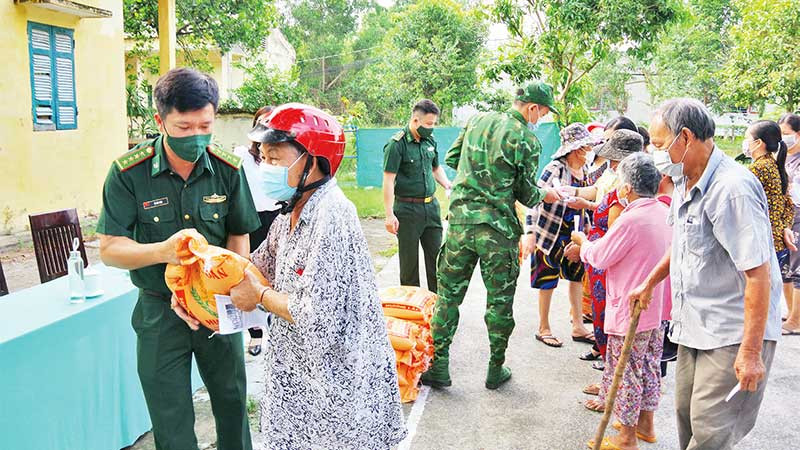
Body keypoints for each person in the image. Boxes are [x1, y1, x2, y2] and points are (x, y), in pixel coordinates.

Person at [96, 68, 261, 450]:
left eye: (205, 125)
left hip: (217, 310)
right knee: (170, 417)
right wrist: (162, 251)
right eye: (184, 127)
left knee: (233, 404)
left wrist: (231, 287)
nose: (196, 137)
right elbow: (109, 249)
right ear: (160, 121)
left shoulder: (227, 169)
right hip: (159, 314)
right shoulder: (128, 174)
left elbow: (239, 233)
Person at [229, 103, 407, 449]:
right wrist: (202, 275)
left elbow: (313, 313)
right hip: (301, 381)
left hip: (338, 385)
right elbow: (255, 266)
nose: (266, 167)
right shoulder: (289, 215)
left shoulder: (333, 215)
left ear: (312, 162)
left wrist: (260, 297)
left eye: (276, 158)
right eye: (263, 157)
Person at [630, 98, 782, 450]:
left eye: (657, 143)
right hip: (694, 325)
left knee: (711, 432)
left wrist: (750, 352)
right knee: (686, 416)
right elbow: (683, 244)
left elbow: (760, 275)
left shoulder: (732, 189)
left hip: (732, 333)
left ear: (684, 137)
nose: (655, 153)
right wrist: (649, 282)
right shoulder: (686, 178)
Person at [421, 81, 562, 390]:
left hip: (460, 225)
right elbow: (527, 193)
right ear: (532, 108)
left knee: (448, 298)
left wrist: (478, 178)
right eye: (543, 113)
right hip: (498, 232)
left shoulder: (477, 120)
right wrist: (547, 194)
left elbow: (453, 159)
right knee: (499, 301)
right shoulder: (526, 139)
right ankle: (495, 369)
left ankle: (440, 364)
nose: (541, 119)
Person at [571, 153, 671, 450]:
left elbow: (600, 257)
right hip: (656, 307)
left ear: (627, 188)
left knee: (625, 372)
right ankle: (646, 424)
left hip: (631, 309)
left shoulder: (632, 218)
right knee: (650, 366)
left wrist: (582, 242)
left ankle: (626, 438)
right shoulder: (663, 211)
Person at [563, 129, 643, 383]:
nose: (612, 161)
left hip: (606, 251)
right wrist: (572, 192)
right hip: (598, 248)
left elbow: (612, 220)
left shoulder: (630, 184)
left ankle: (611, 382)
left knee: (612, 314)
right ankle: (607, 368)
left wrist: (584, 243)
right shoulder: (613, 173)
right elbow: (596, 192)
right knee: (601, 310)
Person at [524, 123, 601, 348]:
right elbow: (533, 199)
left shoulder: (584, 170)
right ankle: (543, 328)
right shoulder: (555, 168)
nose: (589, 150)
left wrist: (586, 227)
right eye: (586, 146)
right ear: (577, 149)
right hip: (549, 232)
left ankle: (578, 326)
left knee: (577, 277)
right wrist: (529, 232)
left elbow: (585, 205)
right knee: (547, 280)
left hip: (573, 232)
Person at [383, 99, 451, 293]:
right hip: (407, 210)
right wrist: (389, 215)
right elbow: (388, 181)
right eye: (429, 124)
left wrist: (447, 184)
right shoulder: (396, 145)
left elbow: (436, 168)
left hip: (431, 208)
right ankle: (412, 312)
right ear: (415, 120)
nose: (432, 128)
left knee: (437, 261)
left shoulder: (430, 141)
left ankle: (437, 311)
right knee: (409, 265)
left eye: (434, 124)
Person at [742, 120, 798, 338]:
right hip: (775, 240)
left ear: (758, 143)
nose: (745, 143)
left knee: (759, 294)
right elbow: (788, 203)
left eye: (747, 138)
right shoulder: (774, 165)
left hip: (762, 241)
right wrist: (784, 227)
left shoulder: (759, 168)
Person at [233, 105, 280, 356]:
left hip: (277, 217)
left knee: (278, 276)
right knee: (250, 274)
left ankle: (277, 325)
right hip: (251, 221)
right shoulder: (243, 156)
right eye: (261, 123)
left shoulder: (282, 156)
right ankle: (255, 334)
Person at [778, 113, 800, 333]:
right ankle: (791, 312)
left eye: (787, 134)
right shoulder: (783, 157)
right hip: (786, 219)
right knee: (786, 269)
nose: (784, 139)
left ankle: (796, 319)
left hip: (798, 218)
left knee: (797, 270)